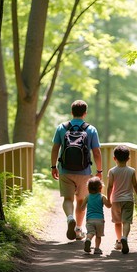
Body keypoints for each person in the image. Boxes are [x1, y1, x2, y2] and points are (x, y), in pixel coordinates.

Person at [51, 100, 102, 241]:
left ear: (71, 111)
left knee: (68, 199)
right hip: (84, 171)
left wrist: (53, 166)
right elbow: (97, 152)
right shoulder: (91, 129)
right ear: (85, 113)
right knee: (81, 201)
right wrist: (99, 171)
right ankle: (79, 230)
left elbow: (55, 148)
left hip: (65, 170)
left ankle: (69, 218)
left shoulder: (62, 128)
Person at [107, 145, 137, 254]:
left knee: (117, 222)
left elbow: (110, 186)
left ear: (114, 158)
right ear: (128, 159)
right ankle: (125, 237)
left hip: (116, 200)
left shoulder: (112, 171)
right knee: (126, 221)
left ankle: (118, 242)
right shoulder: (131, 171)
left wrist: (108, 199)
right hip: (128, 200)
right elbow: (135, 186)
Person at [80, 177, 112, 255]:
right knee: (98, 235)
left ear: (88, 188)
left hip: (90, 219)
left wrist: (84, 208)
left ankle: (88, 239)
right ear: (100, 187)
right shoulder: (102, 197)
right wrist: (110, 200)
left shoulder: (87, 197)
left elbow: (82, 208)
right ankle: (97, 249)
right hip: (100, 220)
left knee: (90, 232)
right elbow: (108, 206)